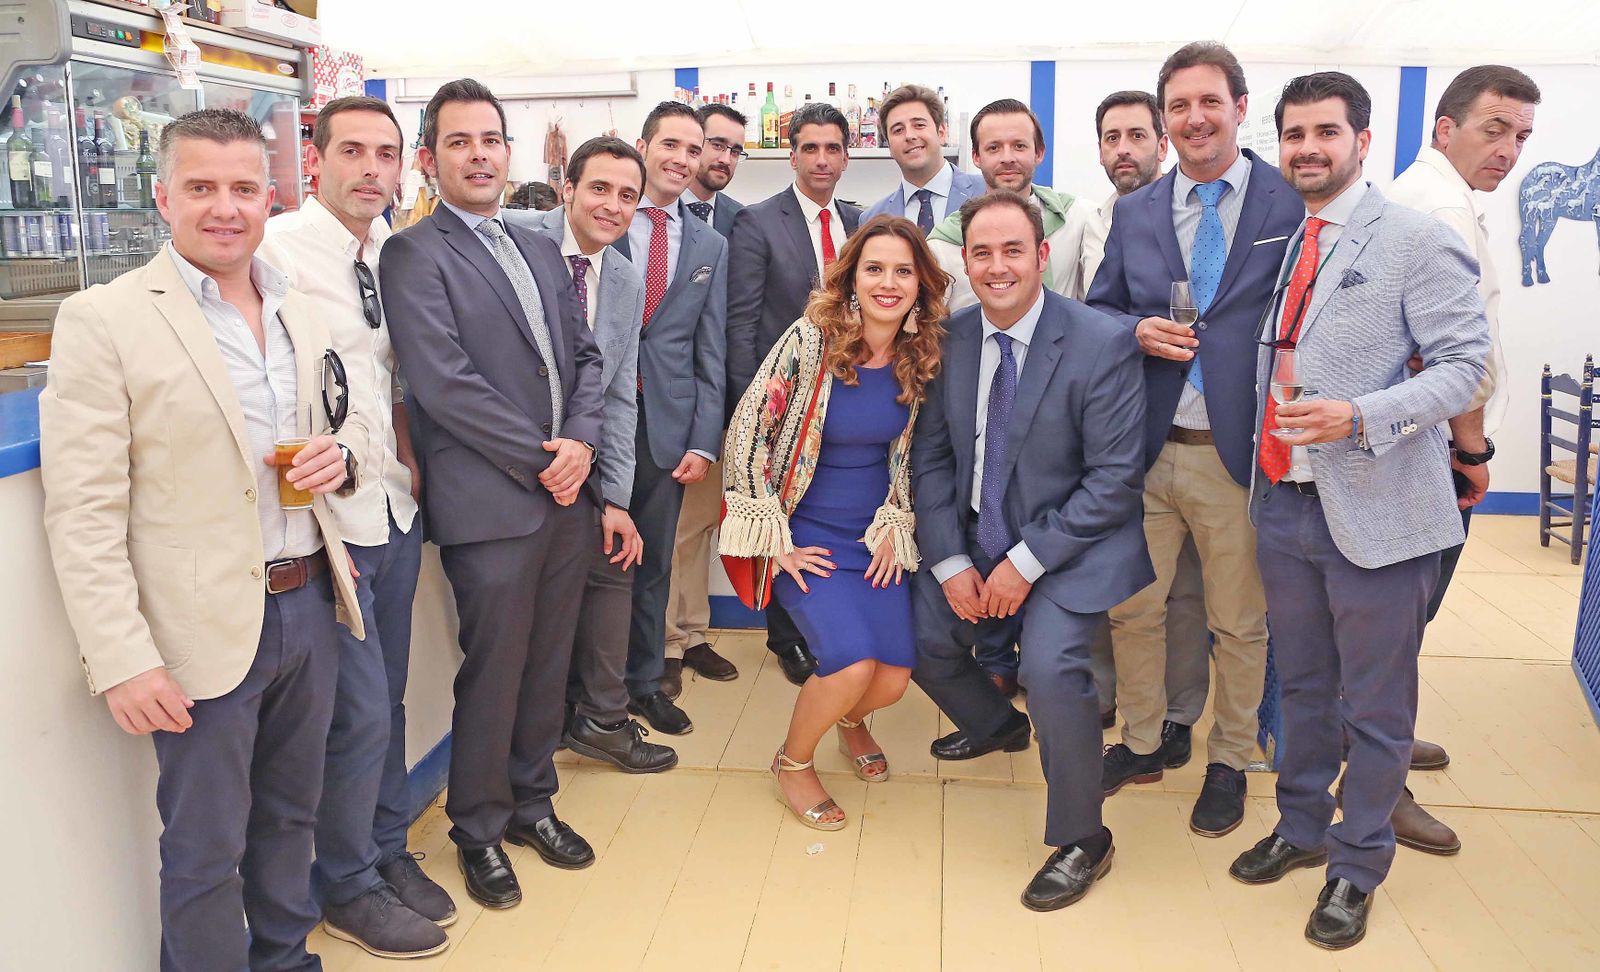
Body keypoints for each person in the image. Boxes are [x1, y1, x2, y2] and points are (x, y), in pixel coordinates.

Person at [41, 107, 366, 971]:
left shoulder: (299, 306)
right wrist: (121, 657)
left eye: (243, 188)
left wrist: (344, 460)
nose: (224, 208)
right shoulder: (103, 318)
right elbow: (83, 510)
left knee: (290, 820)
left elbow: (344, 429)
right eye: (201, 188)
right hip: (197, 633)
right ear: (162, 197)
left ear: (271, 197)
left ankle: (287, 960)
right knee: (203, 851)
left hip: (310, 607)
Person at [1228, 72, 1489, 950]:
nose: (1308, 147)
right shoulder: (1288, 238)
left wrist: (1362, 417)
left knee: (1375, 707)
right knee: (1301, 689)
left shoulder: (1417, 237)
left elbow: (1464, 365)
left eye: (1326, 132)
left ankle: (1357, 864)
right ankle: (1300, 829)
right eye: (1294, 133)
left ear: (1362, 140)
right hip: (1285, 505)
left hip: (1380, 507)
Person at [380, 79, 605, 910]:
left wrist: (579, 444)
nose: (479, 154)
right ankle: (477, 828)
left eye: (491, 139)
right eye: (459, 141)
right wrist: (543, 458)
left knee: (550, 663)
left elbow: (585, 358)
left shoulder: (541, 246)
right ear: (430, 159)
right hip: (492, 502)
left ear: (510, 153)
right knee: (496, 668)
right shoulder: (413, 253)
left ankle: (532, 802)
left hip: (564, 495)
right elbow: (444, 383)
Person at [911, 189, 1151, 911]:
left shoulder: (1100, 341)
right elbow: (932, 461)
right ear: (965, 262)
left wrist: (1024, 564)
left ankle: (1084, 839)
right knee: (920, 639)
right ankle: (997, 726)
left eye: (1013, 250)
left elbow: (1114, 481)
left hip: (1068, 548)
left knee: (1051, 670)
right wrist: (953, 562)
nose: (997, 266)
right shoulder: (949, 340)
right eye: (981, 252)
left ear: (1043, 256)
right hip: (977, 538)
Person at [1086, 41, 1303, 839]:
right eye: (1178, 105)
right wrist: (1133, 328)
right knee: (1134, 612)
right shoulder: (1137, 211)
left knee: (1239, 622)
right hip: (1146, 447)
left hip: (1237, 454)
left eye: (1209, 101)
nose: (1194, 118)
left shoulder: (1287, 204)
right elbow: (1099, 308)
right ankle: (1142, 741)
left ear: (1241, 108)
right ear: (1163, 118)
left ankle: (1231, 758)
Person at [257, 96, 451, 958]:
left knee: (390, 700)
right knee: (360, 711)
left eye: (386, 154)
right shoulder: (275, 255)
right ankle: (347, 884)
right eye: (353, 152)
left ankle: (384, 848)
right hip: (325, 526)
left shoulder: (390, 255)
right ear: (317, 157)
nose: (371, 169)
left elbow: (386, 381)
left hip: (393, 509)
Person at [722, 214, 945, 828]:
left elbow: (914, 456)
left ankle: (851, 723)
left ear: (921, 284)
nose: (888, 283)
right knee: (849, 665)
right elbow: (750, 430)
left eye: (904, 271)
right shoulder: (811, 340)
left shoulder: (921, 353)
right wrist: (774, 540)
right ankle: (793, 763)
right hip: (806, 535)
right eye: (875, 268)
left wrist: (898, 519)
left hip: (874, 536)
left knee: (894, 679)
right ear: (851, 277)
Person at [1381, 64, 1541, 855]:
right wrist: (1471, 451)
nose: (1508, 150)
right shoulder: (1439, 203)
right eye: (1494, 128)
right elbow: (1458, 356)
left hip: (1421, 447)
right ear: (1444, 129)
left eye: (1521, 137)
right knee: (1392, 624)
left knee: (1397, 625)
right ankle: (1379, 787)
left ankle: (1384, 746)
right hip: (1434, 452)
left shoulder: (1434, 197)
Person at [507, 136, 679, 773]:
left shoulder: (626, 277)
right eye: (599, 189)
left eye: (627, 195)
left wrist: (615, 499)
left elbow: (617, 394)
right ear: (567, 189)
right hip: (513, 458)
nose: (612, 205)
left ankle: (603, 719)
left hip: (587, 463)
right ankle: (535, 733)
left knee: (615, 562)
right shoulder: (515, 240)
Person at [1080, 89, 1209, 743]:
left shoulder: (1203, 216)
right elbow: (1093, 311)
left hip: (1200, 431)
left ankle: (1180, 712)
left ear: (1164, 142)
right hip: (1120, 434)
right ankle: (1119, 702)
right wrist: (1135, 330)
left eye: (1136, 135)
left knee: (1186, 587)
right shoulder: (1093, 216)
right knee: (1121, 581)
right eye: (1111, 137)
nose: (1123, 149)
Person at [602, 101, 729, 735]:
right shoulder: (605, 219)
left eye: (693, 148)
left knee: (653, 566)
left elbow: (712, 348)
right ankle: (588, 692)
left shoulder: (711, 243)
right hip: (596, 423)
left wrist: (705, 439)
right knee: (592, 567)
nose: (682, 159)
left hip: (667, 427)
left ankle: (644, 682)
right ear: (644, 146)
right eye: (670, 145)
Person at [727, 101, 863, 687]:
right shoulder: (758, 222)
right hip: (784, 405)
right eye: (811, 148)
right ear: (792, 154)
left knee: (832, 513)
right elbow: (742, 323)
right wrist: (755, 411)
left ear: (846, 156)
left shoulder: (859, 222)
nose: (822, 159)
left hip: (852, 398)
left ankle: (833, 622)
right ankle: (788, 637)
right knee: (785, 513)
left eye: (833, 148)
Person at [658, 101, 750, 695]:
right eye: (709, 144)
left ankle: (690, 635)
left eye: (733, 149)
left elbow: (723, 330)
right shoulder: (634, 217)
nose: (720, 158)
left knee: (696, 530)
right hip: (648, 405)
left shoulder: (742, 221)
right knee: (663, 534)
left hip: (714, 403)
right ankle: (662, 644)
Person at [926, 98, 1092, 315]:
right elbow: (932, 325)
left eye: (1019, 146)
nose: (1007, 158)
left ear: (1039, 152)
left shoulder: (1077, 218)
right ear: (976, 156)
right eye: (994, 148)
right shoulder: (943, 244)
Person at [863, 84, 987, 234]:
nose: (909, 135)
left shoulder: (988, 193)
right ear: (889, 146)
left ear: (941, 132)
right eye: (898, 130)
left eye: (919, 125)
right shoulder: (871, 219)